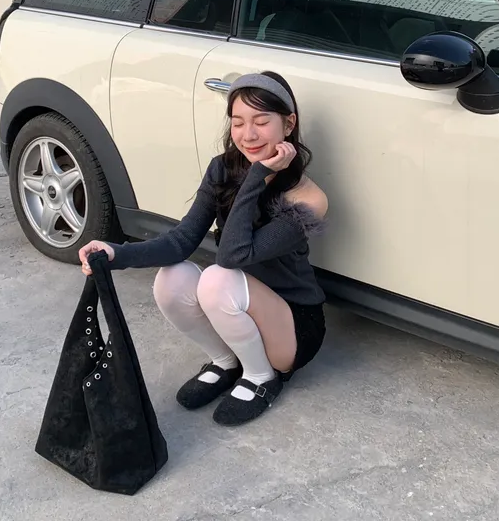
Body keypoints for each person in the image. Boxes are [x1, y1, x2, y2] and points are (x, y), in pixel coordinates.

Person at [79, 72, 328, 426]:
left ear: (288, 124)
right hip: (236, 303)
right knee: (173, 279)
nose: (248, 134)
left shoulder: (308, 198)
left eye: (261, 122)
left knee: (216, 278)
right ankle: (227, 361)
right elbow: (182, 240)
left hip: (292, 326)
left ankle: (260, 377)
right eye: (238, 122)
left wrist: (257, 176)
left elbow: (233, 256)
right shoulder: (223, 169)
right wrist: (117, 254)